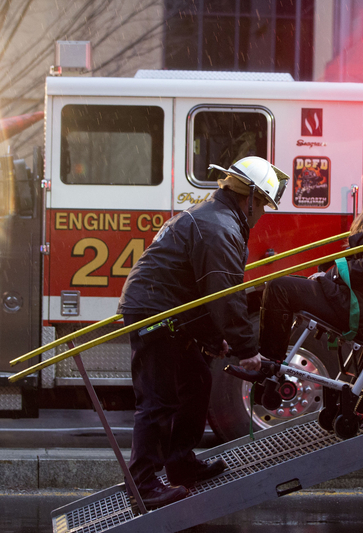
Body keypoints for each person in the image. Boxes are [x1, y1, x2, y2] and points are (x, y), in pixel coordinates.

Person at [117, 156, 289, 508]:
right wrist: (246, 349)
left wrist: (215, 339)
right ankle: (143, 486)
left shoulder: (213, 216)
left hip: (167, 307)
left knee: (196, 381)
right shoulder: (220, 227)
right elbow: (224, 295)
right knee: (158, 399)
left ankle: (180, 463)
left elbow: (198, 291)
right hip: (155, 310)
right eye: (264, 206)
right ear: (251, 199)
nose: (263, 214)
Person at [259, 171, 363, 363]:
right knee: (282, 285)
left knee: (279, 288)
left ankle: (269, 363)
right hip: (361, 302)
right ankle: (271, 363)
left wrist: (330, 277)